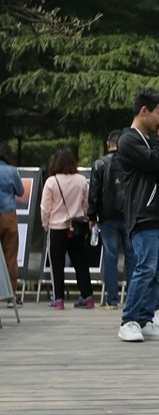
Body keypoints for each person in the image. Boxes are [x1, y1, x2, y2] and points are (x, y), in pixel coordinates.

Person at [117, 88, 159, 343]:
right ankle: (128, 320)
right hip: (144, 214)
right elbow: (154, 162)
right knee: (145, 269)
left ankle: (145, 320)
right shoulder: (128, 140)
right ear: (144, 111)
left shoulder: (150, 140)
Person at [40, 148, 95, 310]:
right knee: (80, 261)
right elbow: (86, 203)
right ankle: (87, 296)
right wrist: (83, 217)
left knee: (57, 264)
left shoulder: (51, 181)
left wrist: (45, 224)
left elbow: (45, 207)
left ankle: (59, 299)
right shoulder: (81, 180)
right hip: (76, 227)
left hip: (56, 227)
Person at [88, 130, 131, 310]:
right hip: (129, 217)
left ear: (108, 143)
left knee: (110, 257)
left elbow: (94, 193)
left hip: (107, 218)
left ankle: (112, 300)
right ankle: (132, 298)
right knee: (133, 257)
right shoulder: (130, 163)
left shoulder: (100, 164)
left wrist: (92, 216)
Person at [0, 142, 25, 306]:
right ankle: (11, 296)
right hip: (8, 215)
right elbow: (21, 191)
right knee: (10, 257)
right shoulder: (11, 170)